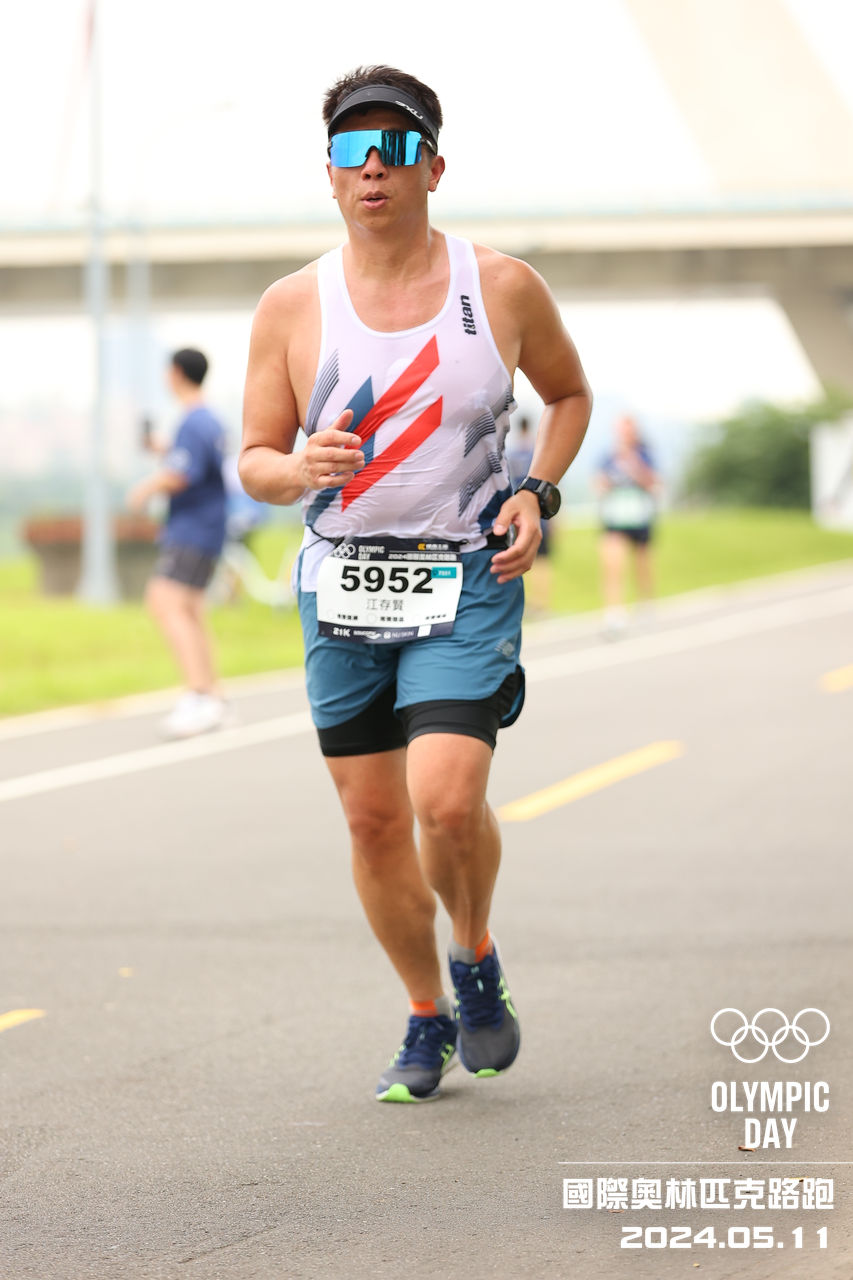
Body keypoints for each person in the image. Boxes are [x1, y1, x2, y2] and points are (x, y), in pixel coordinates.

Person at [240, 66, 592, 1102]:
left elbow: (568, 394)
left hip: (465, 572)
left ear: (433, 167)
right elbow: (254, 460)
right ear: (329, 175)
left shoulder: (503, 287)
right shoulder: (291, 306)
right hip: (342, 583)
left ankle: (473, 951)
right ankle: (425, 1009)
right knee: (373, 821)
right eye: (352, 150)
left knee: (443, 798)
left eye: (394, 147)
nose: (374, 168)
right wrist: (295, 468)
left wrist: (536, 490)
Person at [127, 347, 228, 737]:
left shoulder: (192, 420)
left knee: (165, 602)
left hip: (192, 528)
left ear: (176, 373)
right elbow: (192, 461)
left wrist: (144, 489)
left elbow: (182, 475)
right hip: (208, 527)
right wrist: (165, 451)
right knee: (191, 608)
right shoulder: (208, 419)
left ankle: (199, 696)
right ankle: (213, 697)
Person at [594, 414, 660, 638]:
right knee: (613, 565)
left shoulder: (645, 455)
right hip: (615, 518)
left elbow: (653, 483)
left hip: (639, 517)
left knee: (642, 566)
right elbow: (599, 483)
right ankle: (614, 613)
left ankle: (645, 606)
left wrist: (633, 464)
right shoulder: (608, 457)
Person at [506, 414, 553, 613]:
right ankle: (542, 602)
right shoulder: (538, 454)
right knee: (542, 559)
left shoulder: (512, 454)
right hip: (539, 512)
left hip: (516, 512)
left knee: (517, 556)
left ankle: (524, 601)